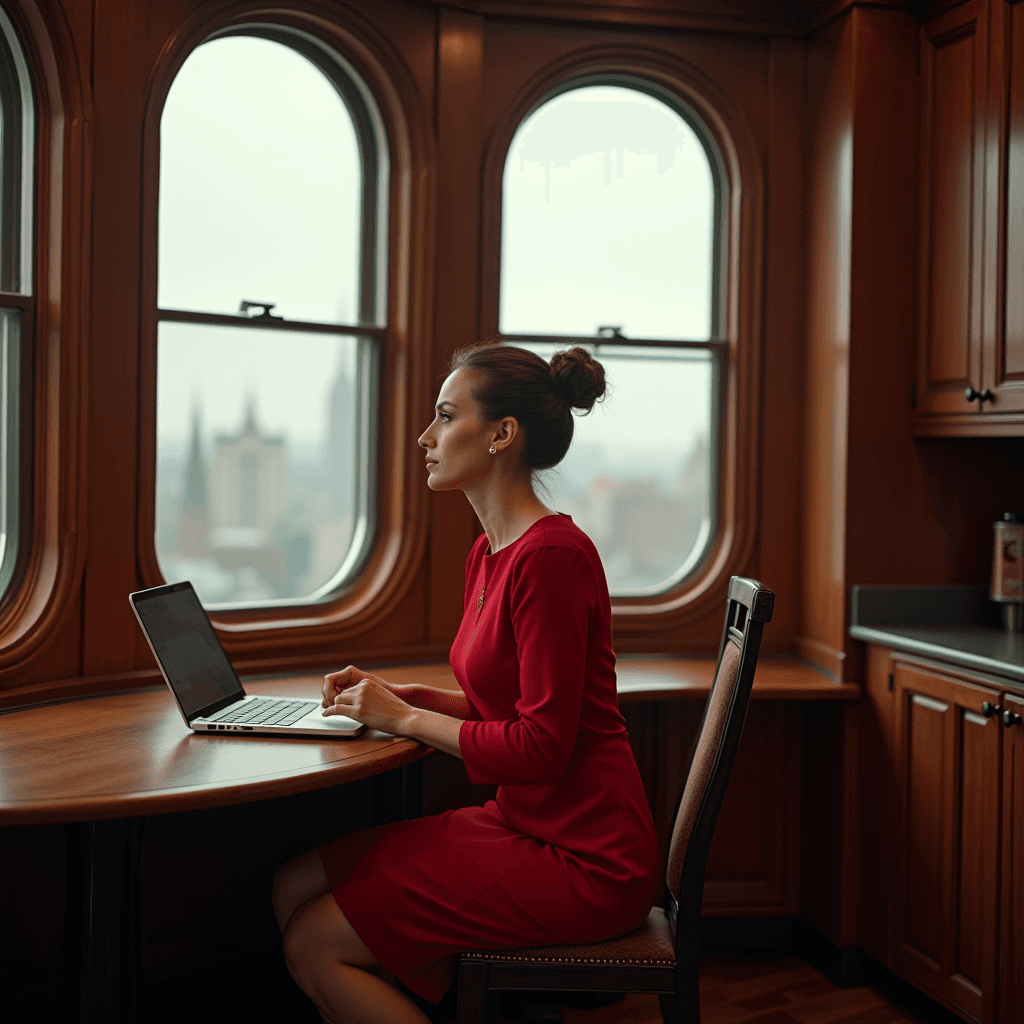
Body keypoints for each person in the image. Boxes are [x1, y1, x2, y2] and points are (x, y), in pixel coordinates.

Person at [271, 343, 659, 1024]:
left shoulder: (553, 560)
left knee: (312, 942)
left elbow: (541, 747)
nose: (427, 437)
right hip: (525, 825)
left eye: (446, 417)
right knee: (292, 883)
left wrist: (407, 720)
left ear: (502, 434)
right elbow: (497, 709)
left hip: (586, 855)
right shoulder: (489, 552)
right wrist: (396, 700)